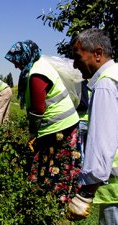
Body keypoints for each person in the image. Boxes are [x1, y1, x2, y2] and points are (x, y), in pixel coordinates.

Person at [5, 40, 81, 207]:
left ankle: (49, 203)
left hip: (60, 126)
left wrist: (33, 133)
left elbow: (38, 109)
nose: (16, 66)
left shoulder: (37, 73)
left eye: (17, 61)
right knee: (56, 163)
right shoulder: (39, 64)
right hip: (64, 123)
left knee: (52, 163)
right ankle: (53, 200)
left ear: (25, 57)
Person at [66, 28, 118, 224]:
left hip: (116, 192)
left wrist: (85, 195)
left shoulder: (106, 84)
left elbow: (102, 143)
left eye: (78, 57)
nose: (75, 64)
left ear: (97, 54)